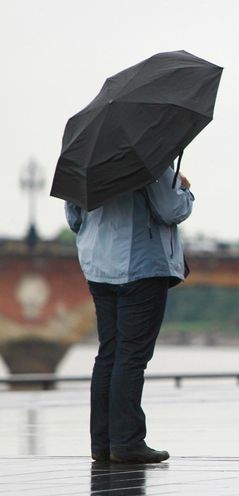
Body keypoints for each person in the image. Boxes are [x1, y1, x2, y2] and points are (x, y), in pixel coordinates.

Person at [65, 166, 193, 464]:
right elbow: (169, 209)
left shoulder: (87, 160)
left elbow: (74, 218)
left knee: (108, 352)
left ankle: (102, 443)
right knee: (132, 356)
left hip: (97, 264)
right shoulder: (151, 159)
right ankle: (127, 441)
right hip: (142, 266)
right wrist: (185, 189)